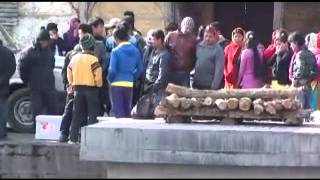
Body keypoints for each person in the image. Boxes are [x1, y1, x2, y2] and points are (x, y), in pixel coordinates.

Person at [18, 28, 58, 132]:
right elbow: (22, 68)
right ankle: (38, 130)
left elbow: (52, 64)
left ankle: (51, 130)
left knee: (53, 108)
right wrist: (27, 80)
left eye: (47, 42)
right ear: (40, 41)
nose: (46, 44)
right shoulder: (29, 52)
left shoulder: (49, 50)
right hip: (36, 86)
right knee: (37, 109)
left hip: (49, 85)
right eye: (45, 42)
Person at [59, 23, 92, 142]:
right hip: (82, 87)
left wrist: (68, 85)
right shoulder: (86, 54)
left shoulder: (71, 53)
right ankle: (72, 134)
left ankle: (65, 133)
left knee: (70, 110)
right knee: (78, 111)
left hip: (74, 86)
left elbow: (65, 72)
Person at [67, 33, 102, 144]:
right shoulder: (93, 59)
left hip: (77, 89)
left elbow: (69, 72)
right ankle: (90, 140)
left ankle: (72, 138)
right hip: (91, 90)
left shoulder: (74, 58)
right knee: (92, 114)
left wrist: (72, 83)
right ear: (92, 46)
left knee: (76, 114)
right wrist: (98, 84)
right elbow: (98, 75)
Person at [107, 24, 143, 118]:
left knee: (118, 113)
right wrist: (132, 77)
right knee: (127, 112)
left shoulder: (115, 51)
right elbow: (140, 69)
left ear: (116, 38)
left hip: (116, 84)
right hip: (129, 83)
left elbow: (112, 70)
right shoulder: (135, 50)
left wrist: (110, 79)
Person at [165, 16, 197, 88]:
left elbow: (195, 55)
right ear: (182, 25)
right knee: (171, 95)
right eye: (186, 27)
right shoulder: (171, 36)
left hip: (185, 73)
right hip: (171, 71)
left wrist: (191, 67)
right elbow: (164, 50)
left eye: (190, 28)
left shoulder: (193, 39)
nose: (187, 29)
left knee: (185, 95)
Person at [288, 31, 318, 109]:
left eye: (291, 43)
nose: (290, 46)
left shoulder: (299, 54)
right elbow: (316, 70)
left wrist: (295, 81)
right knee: (307, 110)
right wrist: (308, 78)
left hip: (299, 87)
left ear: (296, 43)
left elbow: (300, 69)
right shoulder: (310, 53)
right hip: (308, 86)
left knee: (299, 110)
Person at [88, 17, 111, 116]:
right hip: (88, 79)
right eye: (100, 27)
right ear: (93, 27)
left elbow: (105, 61)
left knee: (101, 104)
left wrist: (100, 71)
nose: (102, 29)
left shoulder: (103, 41)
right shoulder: (87, 41)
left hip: (100, 78)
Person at [193, 24, 224, 90]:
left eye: (210, 36)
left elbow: (219, 69)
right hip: (197, 84)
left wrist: (214, 86)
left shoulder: (218, 49)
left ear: (214, 36)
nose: (207, 38)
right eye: (206, 36)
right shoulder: (199, 46)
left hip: (209, 86)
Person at [0, 40, 16, 139]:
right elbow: (12, 68)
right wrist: (4, 79)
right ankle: (2, 131)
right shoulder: (8, 52)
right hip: (3, 86)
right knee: (2, 110)